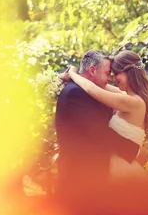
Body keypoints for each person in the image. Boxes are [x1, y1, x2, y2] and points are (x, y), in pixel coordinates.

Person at [54, 50, 140, 215]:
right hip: (78, 176)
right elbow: (100, 133)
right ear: (92, 70)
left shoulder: (88, 91)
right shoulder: (75, 94)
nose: (110, 79)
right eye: (107, 73)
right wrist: (132, 149)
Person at [66, 50, 148, 180]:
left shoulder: (133, 102)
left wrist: (72, 73)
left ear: (129, 73)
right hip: (115, 163)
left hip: (119, 166)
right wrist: (76, 72)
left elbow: (92, 89)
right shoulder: (128, 97)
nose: (113, 78)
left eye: (117, 73)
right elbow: (98, 85)